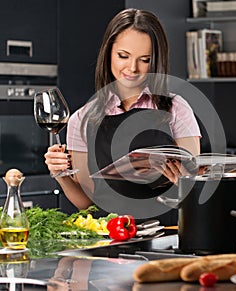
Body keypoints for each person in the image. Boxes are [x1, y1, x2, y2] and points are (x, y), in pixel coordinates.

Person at [44, 8, 201, 225]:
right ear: (108, 52)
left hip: (165, 236)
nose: (132, 68)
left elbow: (193, 190)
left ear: (157, 61)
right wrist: (59, 173)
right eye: (123, 56)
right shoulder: (82, 119)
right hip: (109, 238)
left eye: (145, 59)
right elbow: (85, 202)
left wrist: (184, 183)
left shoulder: (176, 109)